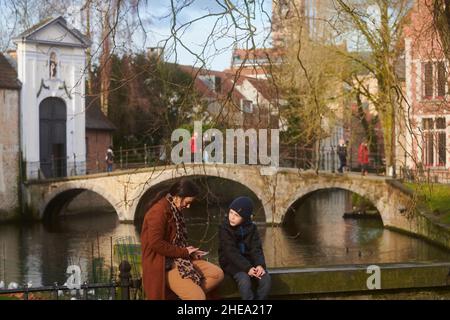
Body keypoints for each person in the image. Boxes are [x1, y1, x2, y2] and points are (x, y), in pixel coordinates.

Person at [140, 179, 224, 300]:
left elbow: (176, 241)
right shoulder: (158, 212)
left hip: (180, 260)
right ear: (178, 196)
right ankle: (190, 295)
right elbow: (156, 244)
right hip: (164, 266)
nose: (188, 206)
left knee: (217, 274)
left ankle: (185, 295)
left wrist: (190, 253)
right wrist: (184, 252)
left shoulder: (175, 209)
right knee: (198, 298)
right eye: (188, 202)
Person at [218, 196, 271, 300]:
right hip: (231, 263)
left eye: (236, 215)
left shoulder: (252, 228)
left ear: (245, 218)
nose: (232, 217)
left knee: (266, 279)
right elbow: (230, 252)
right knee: (244, 280)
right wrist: (247, 268)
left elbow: (256, 249)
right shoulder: (224, 228)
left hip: (250, 262)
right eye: (231, 213)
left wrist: (259, 265)